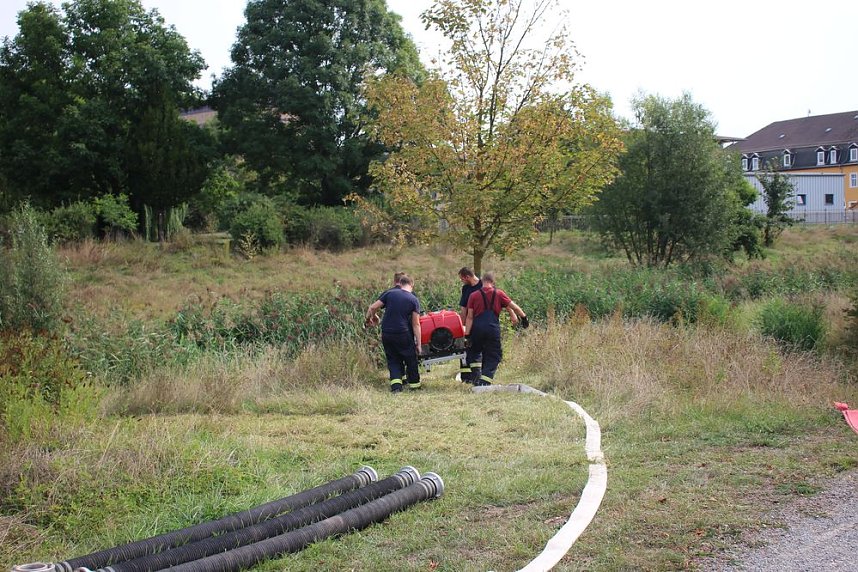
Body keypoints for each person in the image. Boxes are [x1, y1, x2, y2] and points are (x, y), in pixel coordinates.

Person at [463, 271, 526, 386]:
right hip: (492, 329)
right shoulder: (499, 293)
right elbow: (515, 307)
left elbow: (469, 317)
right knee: (494, 355)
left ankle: (477, 379)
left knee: (475, 352)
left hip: (477, 329)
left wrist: (467, 335)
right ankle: (484, 382)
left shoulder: (473, 295)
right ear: (493, 282)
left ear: (482, 282)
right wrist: (524, 318)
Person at [365, 275, 423, 393]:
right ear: (412, 285)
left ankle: (396, 387)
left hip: (387, 332)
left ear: (400, 284)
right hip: (403, 332)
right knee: (410, 358)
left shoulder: (390, 294)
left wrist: (373, 317)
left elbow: (372, 307)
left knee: (393, 359)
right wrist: (419, 344)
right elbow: (416, 324)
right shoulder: (413, 299)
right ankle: (414, 385)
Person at [457, 267, 482, 383]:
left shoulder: (483, 286)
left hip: (481, 322)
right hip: (469, 322)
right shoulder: (465, 289)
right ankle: (466, 378)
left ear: (467, 277)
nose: (462, 281)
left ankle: (478, 376)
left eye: (462, 279)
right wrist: (462, 327)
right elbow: (463, 310)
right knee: (465, 349)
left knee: (478, 350)